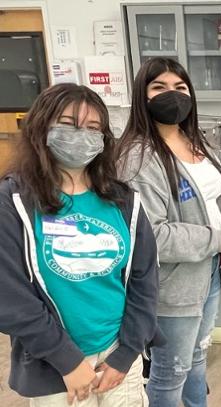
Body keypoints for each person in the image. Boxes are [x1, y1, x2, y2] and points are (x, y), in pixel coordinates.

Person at [0, 83, 159, 406]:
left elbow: (145, 281)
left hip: (116, 354)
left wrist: (126, 354)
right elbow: (9, 295)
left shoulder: (123, 200)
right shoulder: (13, 201)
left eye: (92, 128)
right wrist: (68, 361)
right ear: (41, 128)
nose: (81, 135)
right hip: (54, 365)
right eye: (69, 125)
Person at [116, 57, 221, 407]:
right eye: (159, 88)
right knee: (170, 371)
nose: (172, 95)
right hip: (171, 286)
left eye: (180, 88)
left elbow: (219, 196)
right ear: (142, 97)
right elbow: (152, 236)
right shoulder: (138, 158)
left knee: (196, 358)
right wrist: (218, 239)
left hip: (209, 274)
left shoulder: (196, 143)